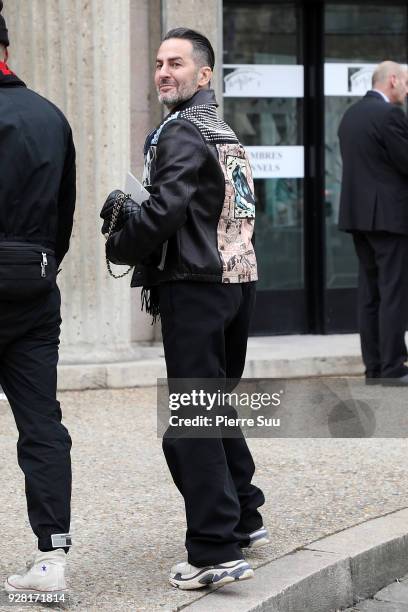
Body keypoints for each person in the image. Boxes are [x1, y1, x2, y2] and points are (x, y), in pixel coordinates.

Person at [102, 28, 268, 589]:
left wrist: (121, 241)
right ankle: (244, 515)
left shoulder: (179, 131)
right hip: (237, 283)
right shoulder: (224, 131)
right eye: (158, 62)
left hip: (197, 287)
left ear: (204, 74)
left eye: (176, 63)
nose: (163, 72)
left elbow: (167, 210)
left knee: (190, 421)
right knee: (216, 405)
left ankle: (214, 550)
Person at [0, 2, 76, 595]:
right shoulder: (50, 116)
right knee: (41, 423)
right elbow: (65, 215)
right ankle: (52, 556)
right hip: (34, 289)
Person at [338, 60, 408, 385]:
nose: (406, 90)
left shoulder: (351, 115)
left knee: (370, 294)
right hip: (390, 218)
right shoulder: (390, 115)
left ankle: (375, 368)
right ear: (393, 80)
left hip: (358, 218)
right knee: (393, 291)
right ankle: (393, 367)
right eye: (405, 83)